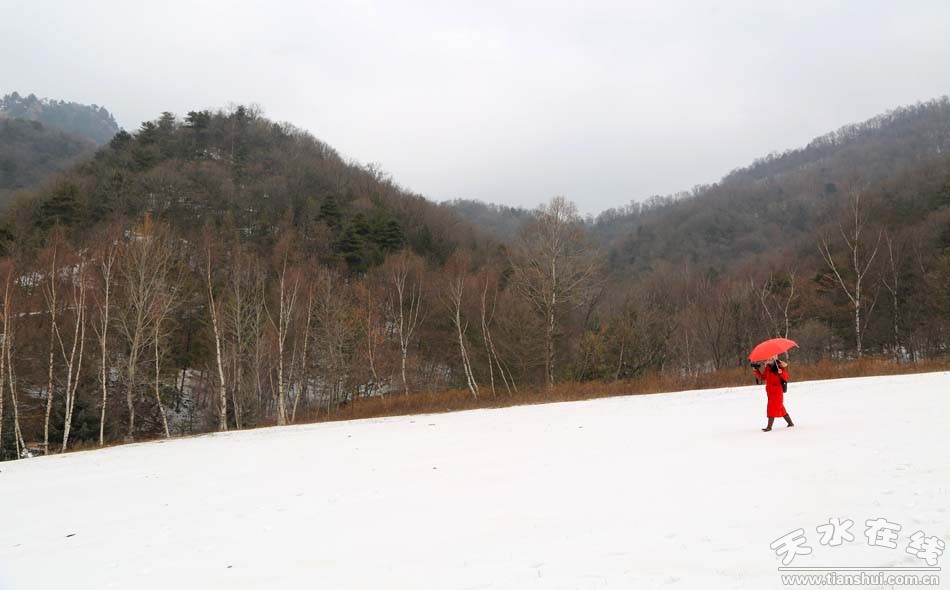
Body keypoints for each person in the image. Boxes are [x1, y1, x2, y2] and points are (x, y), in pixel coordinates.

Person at [751, 356, 794, 432]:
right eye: (768, 358)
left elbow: (786, 377)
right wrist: (756, 370)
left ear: (775, 358)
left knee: (771, 408)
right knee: (780, 408)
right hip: (770, 392)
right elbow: (763, 377)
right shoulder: (767, 368)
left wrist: (781, 373)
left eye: (771, 358)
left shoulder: (779, 366)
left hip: (777, 391)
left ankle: (769, 427)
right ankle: (790, 423)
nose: (769, 359)